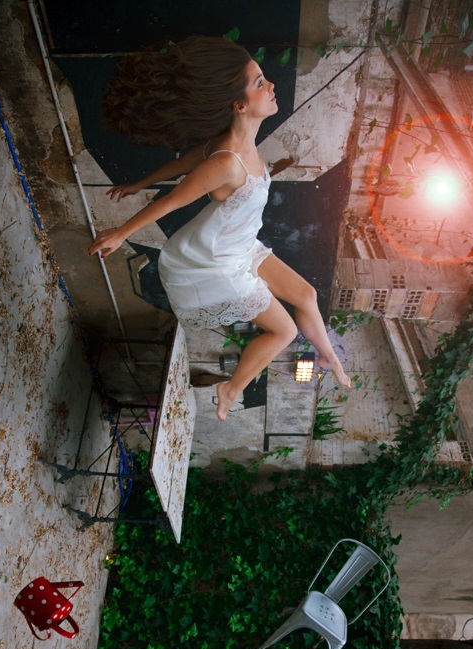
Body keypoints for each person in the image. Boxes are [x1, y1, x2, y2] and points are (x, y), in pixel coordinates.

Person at [88, 36, 351, 420]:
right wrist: (121, 232)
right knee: (283, 332)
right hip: (218, 261)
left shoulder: (235, 147)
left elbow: (181, 165)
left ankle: (329, 358)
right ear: (240, 105)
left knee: (307, 294)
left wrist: (140, 182)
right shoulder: (227, 161)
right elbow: (173, 200)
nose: (272, 85)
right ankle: (231, 388)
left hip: (242, 246)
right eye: (259, 82)